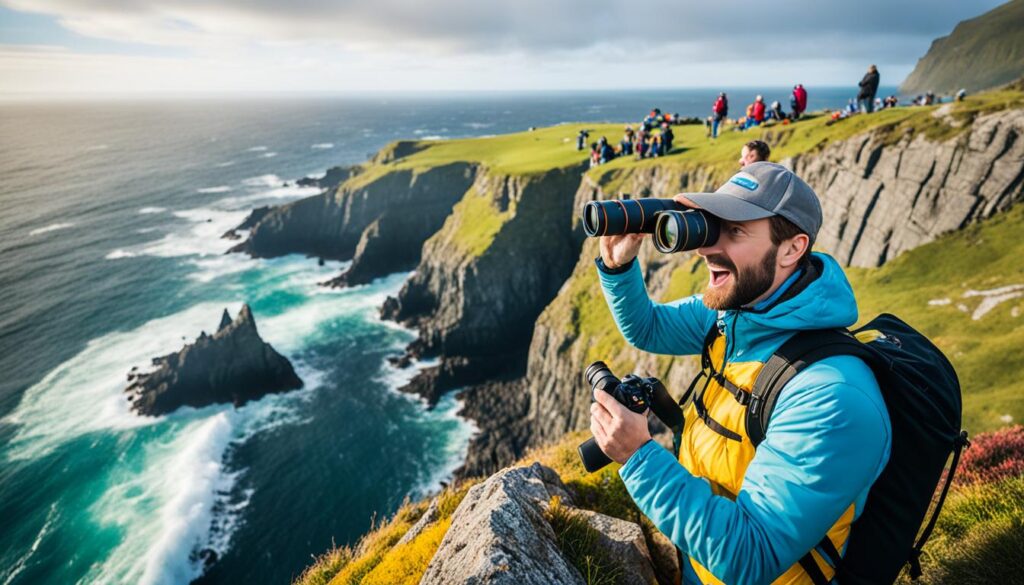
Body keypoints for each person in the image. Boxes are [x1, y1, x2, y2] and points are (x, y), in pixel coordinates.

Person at [590, 162, 891, 585]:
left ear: (792, 248)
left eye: (736, 231)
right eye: (712, 227)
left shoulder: (831, 395)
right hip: (696, 560)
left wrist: (639, 458)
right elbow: (648, 327)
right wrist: (619, 268)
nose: (705, 249)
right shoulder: (741, 310)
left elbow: (750, 556)